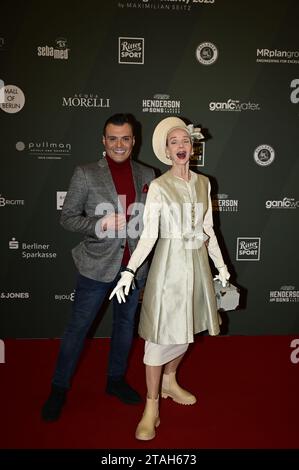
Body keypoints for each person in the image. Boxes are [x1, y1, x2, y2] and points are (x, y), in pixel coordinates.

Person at [109, 116, 230, 440]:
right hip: (169, 268)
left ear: (192, 148)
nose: (180, 146)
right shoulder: (160, 186)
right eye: (174, 141)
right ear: (166, 149)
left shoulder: (204, 183)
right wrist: (130, 271)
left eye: (185, 141)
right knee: (158, 339)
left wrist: (222, 269)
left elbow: (209, 231)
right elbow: (149, 236)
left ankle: (169, 381)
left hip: (197, 266)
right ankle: (151, 408)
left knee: (186, 330)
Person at [41, 113, 155, 421]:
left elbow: (152, 223)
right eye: (113, 138)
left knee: (124, 328)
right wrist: (98, 223)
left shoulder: (148, 175)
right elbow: (67, 218)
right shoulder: (86, 173)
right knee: (77, 330)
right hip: (96, 267)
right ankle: (59, 388)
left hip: (133, 269)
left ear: (134, 141)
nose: (120, 144)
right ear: (104, 141)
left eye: (126, 138)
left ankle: (115, 380)